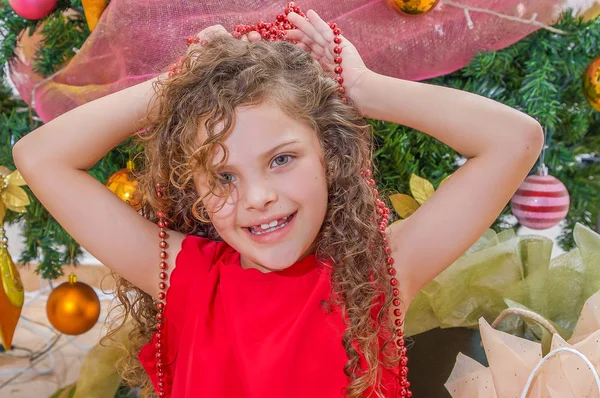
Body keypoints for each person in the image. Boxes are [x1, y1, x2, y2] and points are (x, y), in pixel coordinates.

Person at [12, 5, 543, 398]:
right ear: (193, 191)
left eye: (282, 159)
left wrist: (362, 87)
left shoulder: (377, 272)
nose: (259, 198)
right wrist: (175, 86)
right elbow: (40, 157)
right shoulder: (187, 276)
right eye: (223, 175)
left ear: (328, 156)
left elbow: (515, 141)